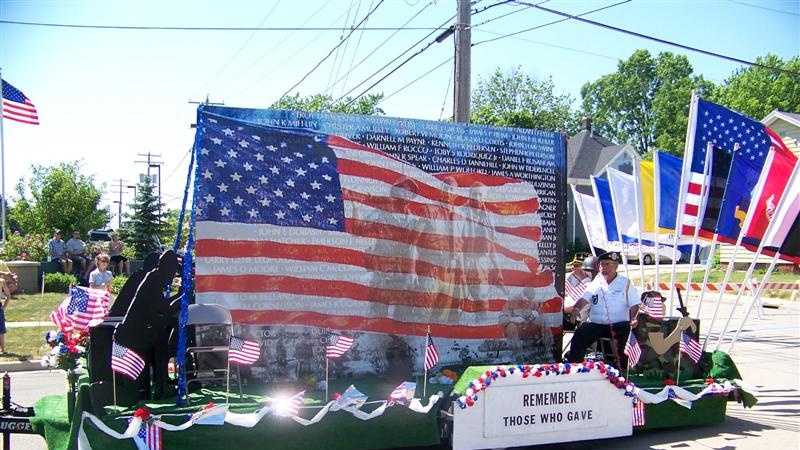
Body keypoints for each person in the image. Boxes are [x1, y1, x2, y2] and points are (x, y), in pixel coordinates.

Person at [566, 251, 640, 367]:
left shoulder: (625, 283)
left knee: (624, 336)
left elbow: (635, 305)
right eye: (601, 264)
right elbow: (584, 299)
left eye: (607, 264)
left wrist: (634, 318)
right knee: (581, 332)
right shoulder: (596, 282)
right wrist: (576, 310)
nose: (603, 267)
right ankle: (574, 366)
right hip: (597, 324)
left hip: (619, 324)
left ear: (616, 266)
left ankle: (623, 370)